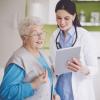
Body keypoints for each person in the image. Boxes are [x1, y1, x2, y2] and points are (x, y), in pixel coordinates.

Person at [0, 16, 60, 100]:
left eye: (41, 33)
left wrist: (53, 94)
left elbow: (46, 83)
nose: (40, 37)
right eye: (35, 34)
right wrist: (33, 85)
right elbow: (5, 93)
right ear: (24, 38)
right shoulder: (18, 60)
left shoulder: (43, 54)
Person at [49, 0, 98, 100]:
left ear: (74, 16)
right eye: (58, 18)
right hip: (59, 92)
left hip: (79, 92)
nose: (62, 22)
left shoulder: (84, 36)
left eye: (66, 18)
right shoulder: (54, 36)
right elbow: (52, 62)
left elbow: (94, 68)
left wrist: (83, 69)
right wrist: (53, 68)